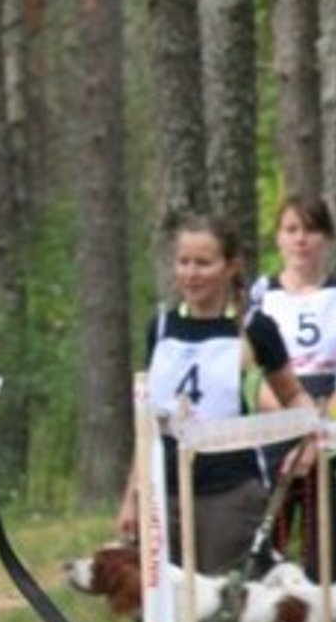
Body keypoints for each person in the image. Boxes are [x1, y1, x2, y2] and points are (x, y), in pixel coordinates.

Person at [117, 214, 309, 578]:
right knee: (161, 613)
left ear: (230, 266)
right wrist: (132, 497)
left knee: (223, 612)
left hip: (231, 495)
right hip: (165, 493)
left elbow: (295, 398)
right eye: (184, 262)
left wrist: (310, 442)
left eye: (204, 263)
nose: (191, 273)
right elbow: (149, 425)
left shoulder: (254, 328)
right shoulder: (160, 327)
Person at [250, 194, 336, 582]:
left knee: (328, 554)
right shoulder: (263, 294)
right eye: (291, 230)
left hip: (334, 426)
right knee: (264, 550)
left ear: (327, 238)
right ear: (278, 238)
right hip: (276, 426)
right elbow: (250, 376)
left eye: (311, 230)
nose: (301, 240)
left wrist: (319, 431)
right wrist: (294, 423)